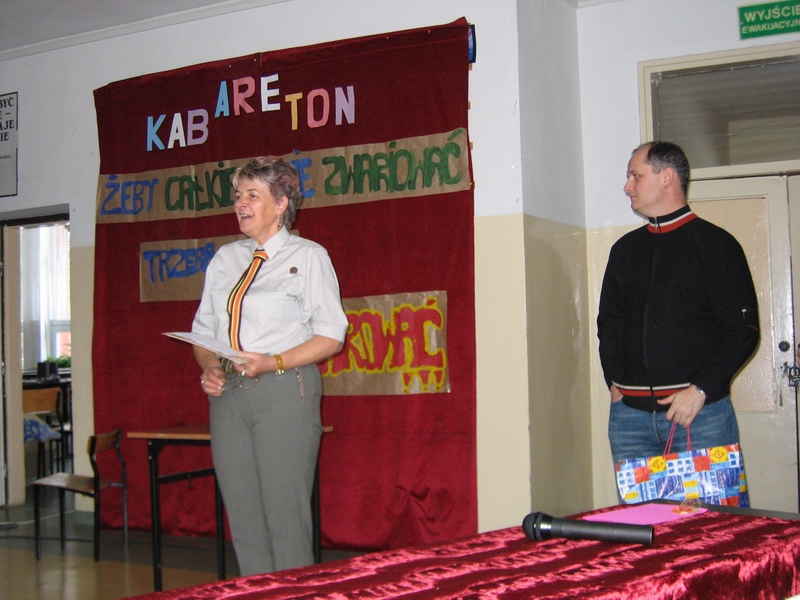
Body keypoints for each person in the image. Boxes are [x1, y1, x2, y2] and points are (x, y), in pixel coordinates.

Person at [191, 156, 348, 575]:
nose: (240, 203)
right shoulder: (225, 259)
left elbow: (331, 335)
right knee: (244, 519)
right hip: (229, 397)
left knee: (285, 519)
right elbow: (204, 332)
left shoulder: (309, 256)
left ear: (281, 204)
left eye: (252, 195)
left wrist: (273, 361)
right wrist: (210, 367)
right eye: (237, 195)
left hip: (284, 389)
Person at [597, 141, 759, 471]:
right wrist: (615, 384)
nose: (627, 187)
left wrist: (701, 390)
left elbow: (743, 331)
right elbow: (609, 325)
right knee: (643, 510)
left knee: (709, 508)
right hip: (630, 422)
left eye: (635, 176)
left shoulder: (717, 245)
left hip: (700, 417)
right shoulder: (624, 251)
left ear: (667, 177)